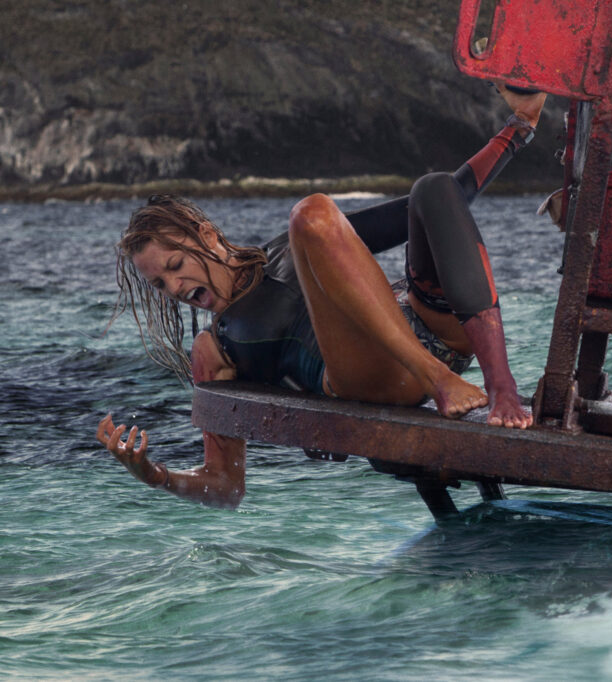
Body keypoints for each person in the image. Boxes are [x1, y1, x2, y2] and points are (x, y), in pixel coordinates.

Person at [96, 86, 546, 508]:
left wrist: (520, 126)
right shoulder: (215, 347)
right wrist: (154, 475)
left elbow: (450, 198)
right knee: (310, 213)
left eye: (175, 265)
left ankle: (500, 386)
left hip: (437, 331)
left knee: (432, 188)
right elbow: (225, 486)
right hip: (375, 378)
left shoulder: (295, 245)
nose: (175, 288)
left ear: (207, 235)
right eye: (160, 285)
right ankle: (437, 377)